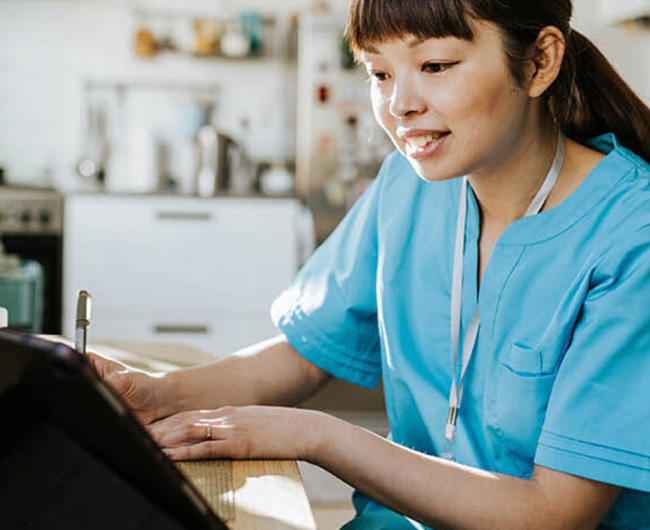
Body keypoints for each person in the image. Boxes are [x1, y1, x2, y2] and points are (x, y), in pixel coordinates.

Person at [90, 1, 650, 528]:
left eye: (435, 65)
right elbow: (306, 354)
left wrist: (317, 437)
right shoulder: (407, 187)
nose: (400, 104)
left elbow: (553, 514)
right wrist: (157, 394)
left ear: (539, 61)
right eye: (380, 73)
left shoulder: (633, 234)